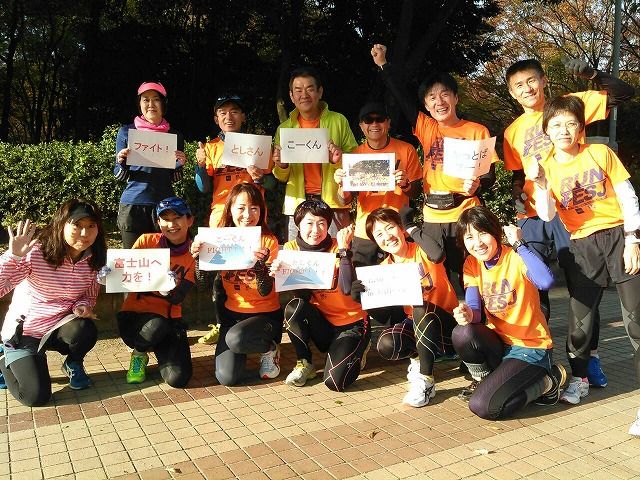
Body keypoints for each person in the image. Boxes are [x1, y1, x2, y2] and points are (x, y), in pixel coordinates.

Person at [503, 58, 635, 387]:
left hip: (575, 215)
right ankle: (537, 356)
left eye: (531, 80)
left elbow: (623, 93)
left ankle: (589, 362)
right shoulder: (511, 132)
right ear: (512, 93)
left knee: (582, 292)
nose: (527, 88)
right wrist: (519, 194)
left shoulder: (570, 105)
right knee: (535, 284)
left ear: (544, 80)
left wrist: (593, 75)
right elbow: (516, 175)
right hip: (535, 213)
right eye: (519, 85)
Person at [528, 96, 640, 434]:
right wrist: (541, 184)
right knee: (580, 322)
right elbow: (546, 214)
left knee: (636, 321)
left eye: (570, 123)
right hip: (581, 245)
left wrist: (633, 240)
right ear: (546, 130)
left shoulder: (599, 153)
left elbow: (628, 196)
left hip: (618, 236)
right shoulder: (545, 166)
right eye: (556, 124)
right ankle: (579, 380)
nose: (564, 130)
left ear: (580, 127)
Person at [370, 44, 499, 289]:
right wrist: (384, 65)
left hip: (465, 211)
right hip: (432, 214)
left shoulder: (477, 130)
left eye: (445, 94)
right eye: (432, 97)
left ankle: (474, 313)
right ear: (427, 106)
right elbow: (402, 97)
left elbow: (489, 175)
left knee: (471, 274)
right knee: (435, 274)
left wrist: (478, 185)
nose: (439, 101)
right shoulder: (427, 127)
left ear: (456, 98)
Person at [451, 206, 566, 420]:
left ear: (495, 232)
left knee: (484, 407)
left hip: (530, 347)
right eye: (469, 237)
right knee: (462, 332)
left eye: (482, 233)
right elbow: (476, 312)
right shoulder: (471, 263)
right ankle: (484, 381)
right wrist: (467, 314)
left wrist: (519, 244)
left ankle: (549, 382)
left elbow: (546, 281)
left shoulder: (515, 256)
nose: (478, 243)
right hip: (499, 344)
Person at [0, 199, 107, 406]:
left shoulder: (95, 259)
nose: (84, 233)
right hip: (26, 332)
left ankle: (73, 364)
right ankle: (4, 359)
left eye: (91, 226)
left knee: (85, 330)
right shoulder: (36, 253)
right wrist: (12, 257)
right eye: (77, 225)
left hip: (59, 327)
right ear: (61, 225)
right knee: (35, 397)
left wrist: (82, 306)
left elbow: (89, 295)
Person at [353, 208, 457, 407]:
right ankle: (418, 359)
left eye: (390, 228)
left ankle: (426, 380)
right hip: (416, 325)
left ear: (401, 228)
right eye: (379, 234)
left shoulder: (421, 248)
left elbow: (437, 254)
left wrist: (411, 227)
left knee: (420, 308)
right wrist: (362, 299)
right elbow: (384, 317)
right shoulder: (383, 269)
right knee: (387, 343)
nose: (387, 236)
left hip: (445, 324)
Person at [194, 94, 275, 347]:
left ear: (243, 117)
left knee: (254, 265)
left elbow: (273, 183)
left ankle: (256, 320)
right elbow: (203, 188)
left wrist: (259, 177)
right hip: (222, 217)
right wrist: (200, 166)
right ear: (216, 118)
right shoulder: (210, 147)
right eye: (223, 112)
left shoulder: (258, 146)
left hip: (251, 217)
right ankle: (222, 323)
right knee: (222, 272)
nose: (229, 117)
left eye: (235, 111)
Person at [270, 200, 370, 391]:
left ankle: (359, 348)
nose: (316, 230)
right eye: (309, 223)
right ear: (298, 225)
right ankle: (305, 363)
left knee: (334, 382)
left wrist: (344, 251)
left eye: (322, 223)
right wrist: (282, 275)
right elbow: (303, 297)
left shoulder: (341, 246)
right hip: (323, 323)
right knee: (294, 307)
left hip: (351, 323)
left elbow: (347, 288)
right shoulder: (291, 249)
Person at [191, 183, 282, 386]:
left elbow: (265, 290)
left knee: (236, 339)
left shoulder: (268, 241)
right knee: (226, 377)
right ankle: (243, 344)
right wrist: (198, 259)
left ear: (262, 211)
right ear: (230, 210)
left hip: (264, 315)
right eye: (241, 208)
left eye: (254, 208)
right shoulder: (218, 240)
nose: (247, 215)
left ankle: (270, 348)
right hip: (233, 316)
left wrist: (260, 267)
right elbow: (203, 285)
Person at [115, 197, 195, 387]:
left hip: (170, 318)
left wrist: (168, 291)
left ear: (189, 220)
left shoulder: (195, 252)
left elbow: (180, 296)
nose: (171, 225)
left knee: (178, 379)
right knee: (155, 326)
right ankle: (139, 353)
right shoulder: (146, 241)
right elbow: (124, 274)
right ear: (158, 222)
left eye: (177, 218)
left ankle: (161, 350)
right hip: (136, 316)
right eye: (165, 219)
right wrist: (110, 273)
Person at [272, 66, 358, 241]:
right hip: (297, 204)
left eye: (310, 89)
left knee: (338, 251)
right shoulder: (285, 128)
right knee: (298, 255)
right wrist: (281, 165)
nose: (304, 94)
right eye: (298, 90)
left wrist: (338, 159)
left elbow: (356, 161)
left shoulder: (338, 121)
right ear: (291, 96)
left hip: (334, 203)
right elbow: (280, 176)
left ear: (320, 92)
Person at [334, 102, 422, 267]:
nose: (374, 124)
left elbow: (417, 191)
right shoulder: (355, 155)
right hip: (366, 231)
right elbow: (345, 200)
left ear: (388, 123)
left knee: (402, 281)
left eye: (379, 119)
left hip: (397, 229)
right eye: (368, 120)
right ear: (361, 126)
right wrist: (342, 185)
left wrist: (406, 185)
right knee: (363, 281)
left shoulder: (406, 150)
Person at [114, 82, 187, 248]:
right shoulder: (126, 132)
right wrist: (122, 162)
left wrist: (179, 165)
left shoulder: (175, 136)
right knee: (133, 259)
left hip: (165, 207)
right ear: (140, 104)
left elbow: (175, 178)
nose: (151, 104)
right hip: (133, 205)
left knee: (163, 260)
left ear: (164, 103)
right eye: (145, 99)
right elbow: (119, 175)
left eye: (156, 99)